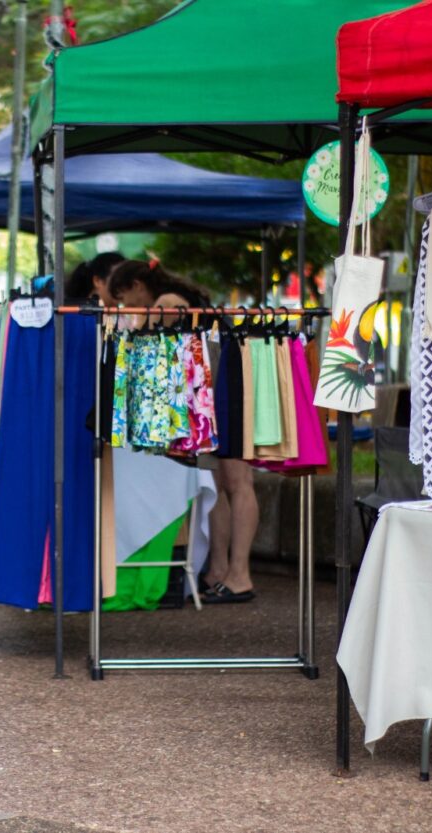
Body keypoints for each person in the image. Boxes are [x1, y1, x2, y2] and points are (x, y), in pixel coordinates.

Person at [108, 258, 258, 604]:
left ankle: (238, 574)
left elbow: (152, 339)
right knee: (221, 483)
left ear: (136, 286)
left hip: (214, 388)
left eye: (122, 298)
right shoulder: (183, 299)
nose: (123, 308)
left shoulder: (168, 303)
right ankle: (222, 571)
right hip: (211, 387)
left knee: (234, 482)